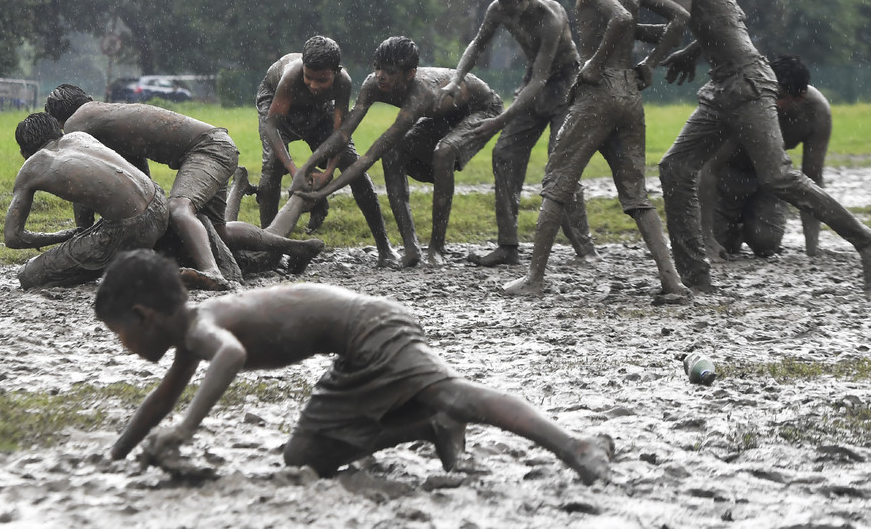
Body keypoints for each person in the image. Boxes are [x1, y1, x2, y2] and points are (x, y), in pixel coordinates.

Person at [96, 248, 615, 483]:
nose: (123, 346)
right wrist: (115, 455)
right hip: (351, 350)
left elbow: (230, 355)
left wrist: (186, 430)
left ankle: (576, 446)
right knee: (305, 457)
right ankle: (430, 424)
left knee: (455, 393)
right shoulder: (189, 337)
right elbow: (162, 398)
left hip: (370, 327)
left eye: (120, 333)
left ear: (145, 317)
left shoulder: (202, 329)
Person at [641, 0, 871, 290]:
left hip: (746, 83)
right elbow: (726, 19)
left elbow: (679, 21)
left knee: (777, 176)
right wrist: (690, 53)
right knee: (676, 165)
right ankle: (695, 275)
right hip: (724, 86)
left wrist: (648, 60)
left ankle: (868, 241)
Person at [503, 0, 689, 299]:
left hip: (598, 94)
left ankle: (534, 278)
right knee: (636, 194)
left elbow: (620, 19)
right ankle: (672, 281)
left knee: (557, 182)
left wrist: (592, 65)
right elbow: (679, 18)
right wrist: (649, 65)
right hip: (629, 94)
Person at [45, 84, 322, 288]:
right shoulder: (107, 118)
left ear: (59, 121)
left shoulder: (76, 124)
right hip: (217, 145)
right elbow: (141, 184)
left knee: (179, 208)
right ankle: (295, 247)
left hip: (207, 149)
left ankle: (212, 272)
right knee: (219, 231)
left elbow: (80, 182)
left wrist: (82, 234)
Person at [291, 37, 503, 267]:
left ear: (409, 74)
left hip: (482, 109)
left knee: (443, 153)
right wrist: (307, 167)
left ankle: (436, 248)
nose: (381, 75)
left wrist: (323, 192)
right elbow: (343, 134)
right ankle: (411, 248)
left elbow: (369, 156)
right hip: (443, 113)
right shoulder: (373, 84)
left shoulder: (420, 94)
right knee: (392, 156)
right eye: (377, 68)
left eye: (389, 72)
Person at [444, 0, 595, 268]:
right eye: (501, 1)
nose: (506, 10)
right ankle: (508, 246)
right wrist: (455, 78)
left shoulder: (551, 18)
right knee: (504, 154)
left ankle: (584, 247)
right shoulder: (498, 9)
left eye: (512, 3)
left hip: (564, 85)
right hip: (533, 83)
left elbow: (543, 78)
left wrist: (500, 120)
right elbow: (477, 45)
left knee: (560, 166)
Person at [255, 36, 398, 267]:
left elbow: (340, 133)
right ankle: (270, 249)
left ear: (335, 72)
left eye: (321, 80)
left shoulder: (343, 82)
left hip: (319, 109)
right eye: (308, 77)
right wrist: (294, 171)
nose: (313, 85)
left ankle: (384, 247)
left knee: (353, 165)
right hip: (278, 107)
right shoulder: (291, 75)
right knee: (272, 166)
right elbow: (272, 127)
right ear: (302, 68)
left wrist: (329, 172)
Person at [4, 112, 169, 289]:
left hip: (130, 229)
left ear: (24, 153)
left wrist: (63, 235)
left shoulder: (31, 167)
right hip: (160, 203)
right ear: (59, 132)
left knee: (28, 275)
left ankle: (125, 266)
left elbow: (13, 237)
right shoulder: (80, 137)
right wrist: (84, 234)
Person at [699, 55, 831, 259]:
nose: (771, 102)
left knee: (766, 243)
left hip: (770, 178)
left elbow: (812, 179)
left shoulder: (817, 113)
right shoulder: (746, 100)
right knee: (723, 244)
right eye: (768, 92)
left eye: (780, 96)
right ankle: (729, 230)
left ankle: (749, 226)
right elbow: (709, 168)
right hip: (728, 175)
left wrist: (812, 249)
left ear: (800, 96)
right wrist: (707, 238)